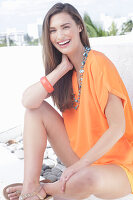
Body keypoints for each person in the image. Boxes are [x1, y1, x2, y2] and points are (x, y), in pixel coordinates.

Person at [3, 2, 133, 200]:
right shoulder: (64, 73)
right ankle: (31, 185)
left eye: (65, 27)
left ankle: (45, 189)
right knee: (35, 110)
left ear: (79, 26)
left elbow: (117, 128)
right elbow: (28, 102)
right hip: (79, 156)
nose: (60, 36)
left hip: (119, 166)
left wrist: (80, 166)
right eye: (53, 30)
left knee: (88, 179)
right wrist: (61, 69)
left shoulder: (99, 63)